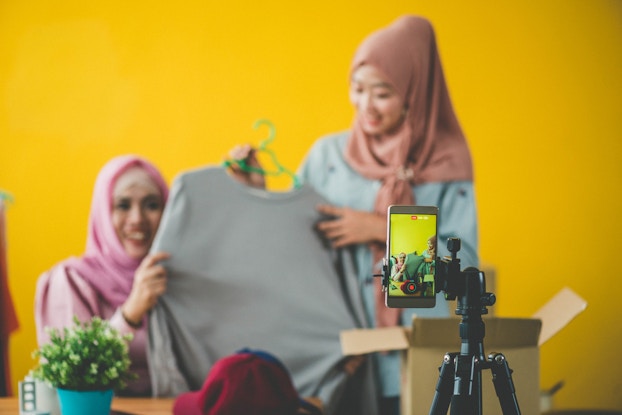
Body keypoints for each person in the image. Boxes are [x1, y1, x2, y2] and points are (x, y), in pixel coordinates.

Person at [228, 15, 478, 415]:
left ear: (416, 92)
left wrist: (382, 230)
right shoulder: (328, 156)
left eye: (382, 93)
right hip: (340, 353)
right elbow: (291, 241)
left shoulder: (446, 163)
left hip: (414, 354)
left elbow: (464, 269)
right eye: (357, 89)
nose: (365, 106)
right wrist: (254, 191)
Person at [34, 155, 169, 396]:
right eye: (123, 205)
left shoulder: (172, 280)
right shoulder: (72, 280)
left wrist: (250, 192)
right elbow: (74, 376)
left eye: (151, 205)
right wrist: (130, 314)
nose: (137, 219)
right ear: (103, 213)